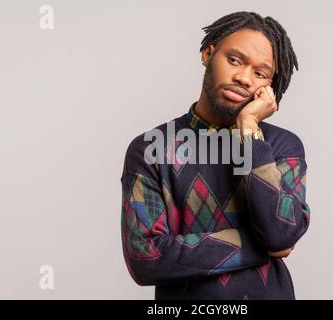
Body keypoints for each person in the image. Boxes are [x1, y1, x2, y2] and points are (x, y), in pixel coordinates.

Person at [120, 11, 310, 300]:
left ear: (269, 87)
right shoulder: (152, 149)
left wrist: (249, 131)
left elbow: (280, 234)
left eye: (260, 73)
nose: (244, 78)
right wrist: (255, 245)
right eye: (234, 60)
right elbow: (145, 258)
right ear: (208, 53)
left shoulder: (282, 146)